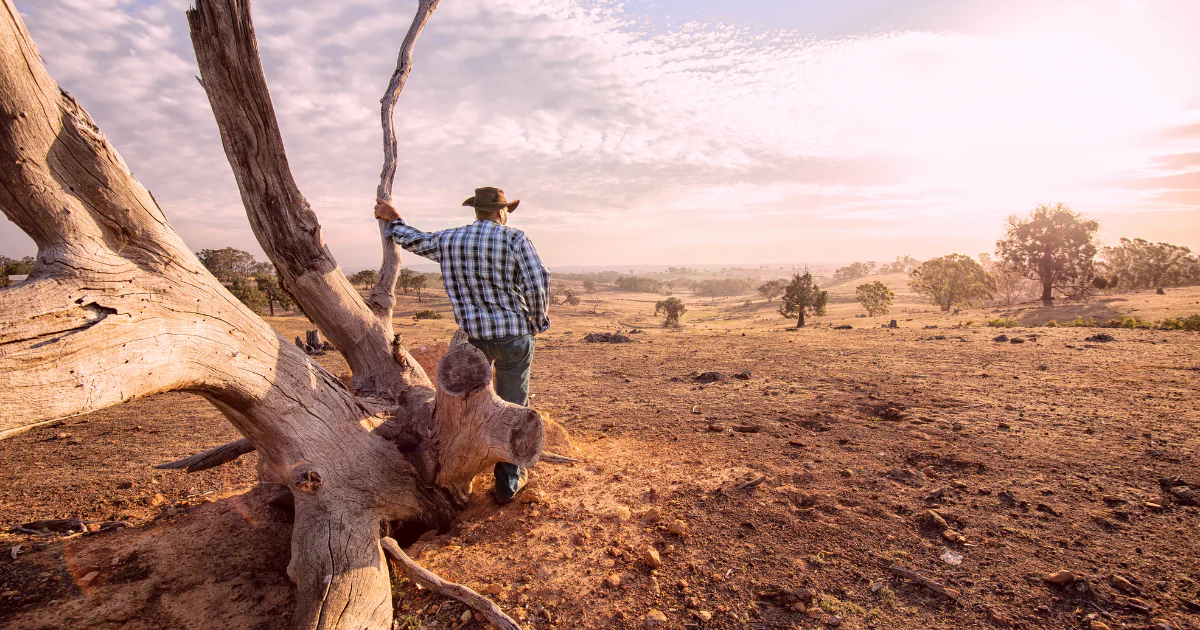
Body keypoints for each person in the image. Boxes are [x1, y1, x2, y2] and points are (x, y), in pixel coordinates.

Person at [374, 187, 550, 504]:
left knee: (470, 407)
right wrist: (537, 321)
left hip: (473, 342)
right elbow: (539, 280)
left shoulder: (452, 239)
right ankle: (508, 484)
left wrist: (394, 218)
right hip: (513, 337)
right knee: (513, 405)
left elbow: (414, 240)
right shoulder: (514, 239)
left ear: (477, 211)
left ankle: (457, 467)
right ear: (501, 212)